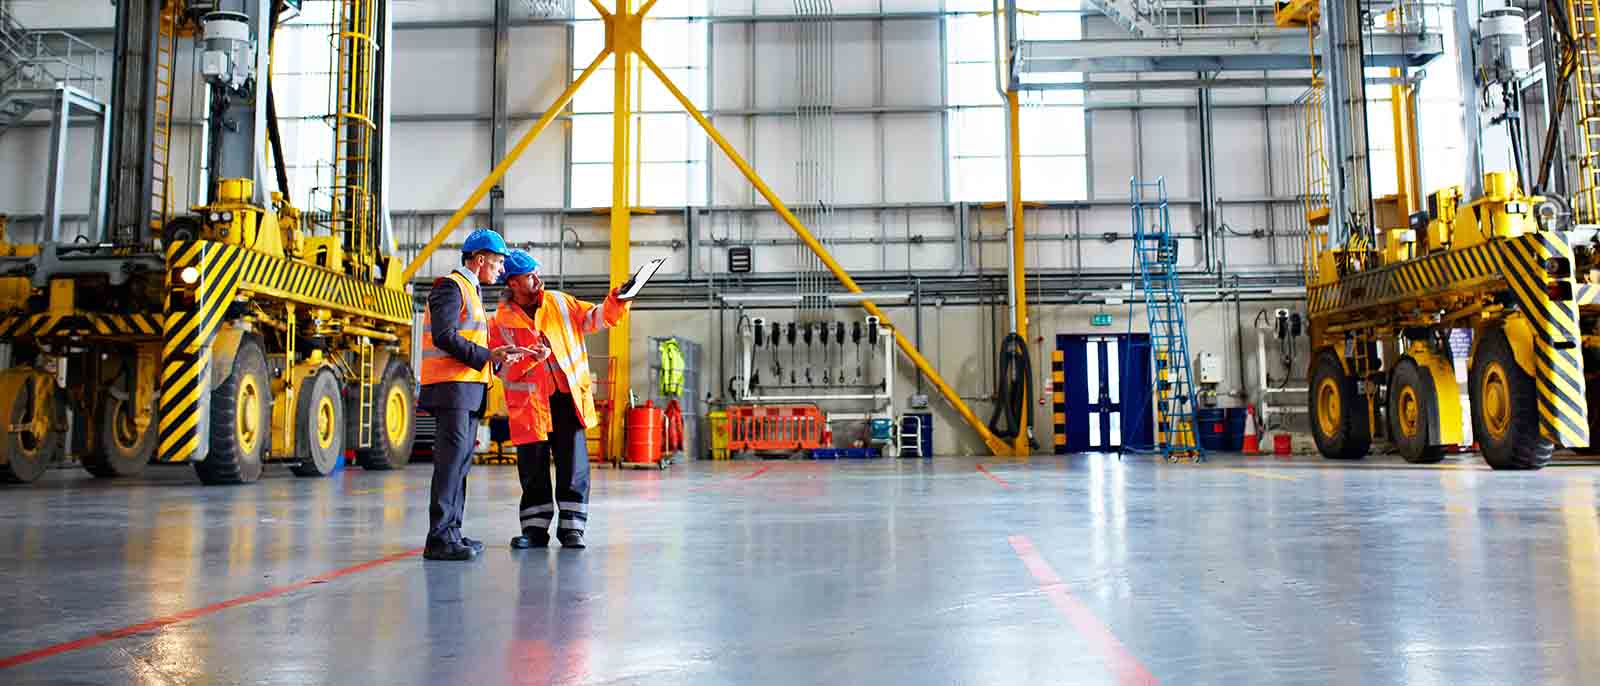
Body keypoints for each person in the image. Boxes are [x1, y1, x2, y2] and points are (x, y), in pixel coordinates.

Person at [489, 249, 633, 549]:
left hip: (567, 399)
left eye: (536, 272)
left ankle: (572, 529)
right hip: (530, 407)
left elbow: (595, 318)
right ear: (513, 283)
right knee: (533, 469)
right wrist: (532, 360)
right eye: (530, 275)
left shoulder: (559, 301)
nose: (537, 278)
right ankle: (534, 531)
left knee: (573, 465)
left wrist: (617, 300)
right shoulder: (500, 321)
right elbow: (500, 367)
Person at [418, 228, 528, 561]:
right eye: (496, 263)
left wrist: (495, 355)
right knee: (450, 466)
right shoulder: (450, 287)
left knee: (460, 465)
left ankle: (452, 533)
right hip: (451, 390)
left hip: (466, 390)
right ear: (479, 260)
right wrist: (485, 357)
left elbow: (467, 339)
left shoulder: (472, 291)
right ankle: (438, 539)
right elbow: (444, 336)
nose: (500, 270)